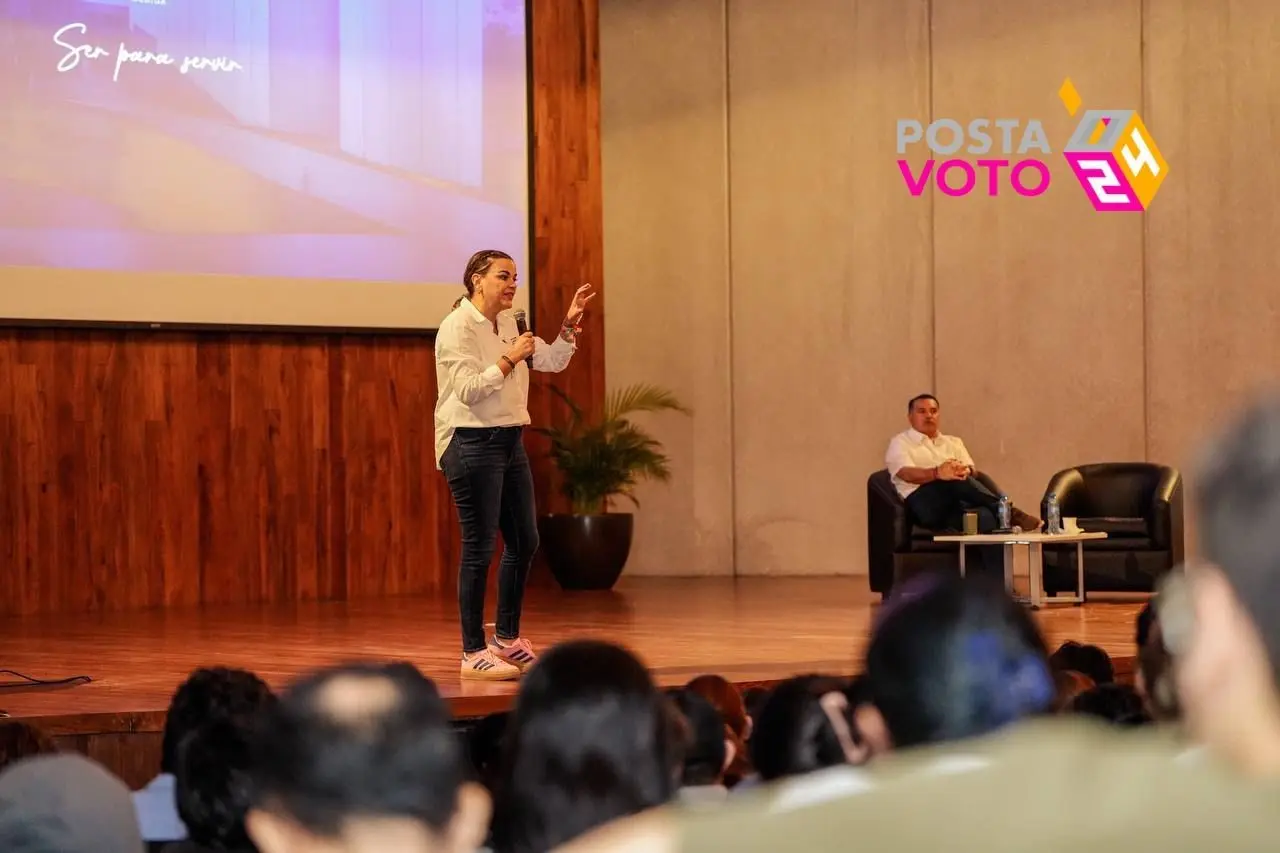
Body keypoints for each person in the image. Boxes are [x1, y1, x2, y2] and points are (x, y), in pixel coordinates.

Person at [434, 249, 595, 681]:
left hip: (508, 440)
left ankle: (505, 640)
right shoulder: (457, 327)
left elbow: (552, 360)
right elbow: (466, 390)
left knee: (525, 541)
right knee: (480, 547)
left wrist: (570, 322)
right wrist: (509, 359)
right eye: (503, 276)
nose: (511, 285)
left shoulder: (511, 323)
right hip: (469, 440)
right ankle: (472, 652)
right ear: (476, 280)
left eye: (515, 278)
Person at [886, 393, 1041, 536]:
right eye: (922, 411)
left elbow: (972, 472)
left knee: (985, 515)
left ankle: (994, 563)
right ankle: (1010, 512)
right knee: (953, 479)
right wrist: (938, 473)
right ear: (910, 417)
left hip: (956, 504)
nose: (928, 416)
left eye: (933, 411)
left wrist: (965, 470)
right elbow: (905, 473)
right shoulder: (900, 442)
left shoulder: (953, 442)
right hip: (923, 504)